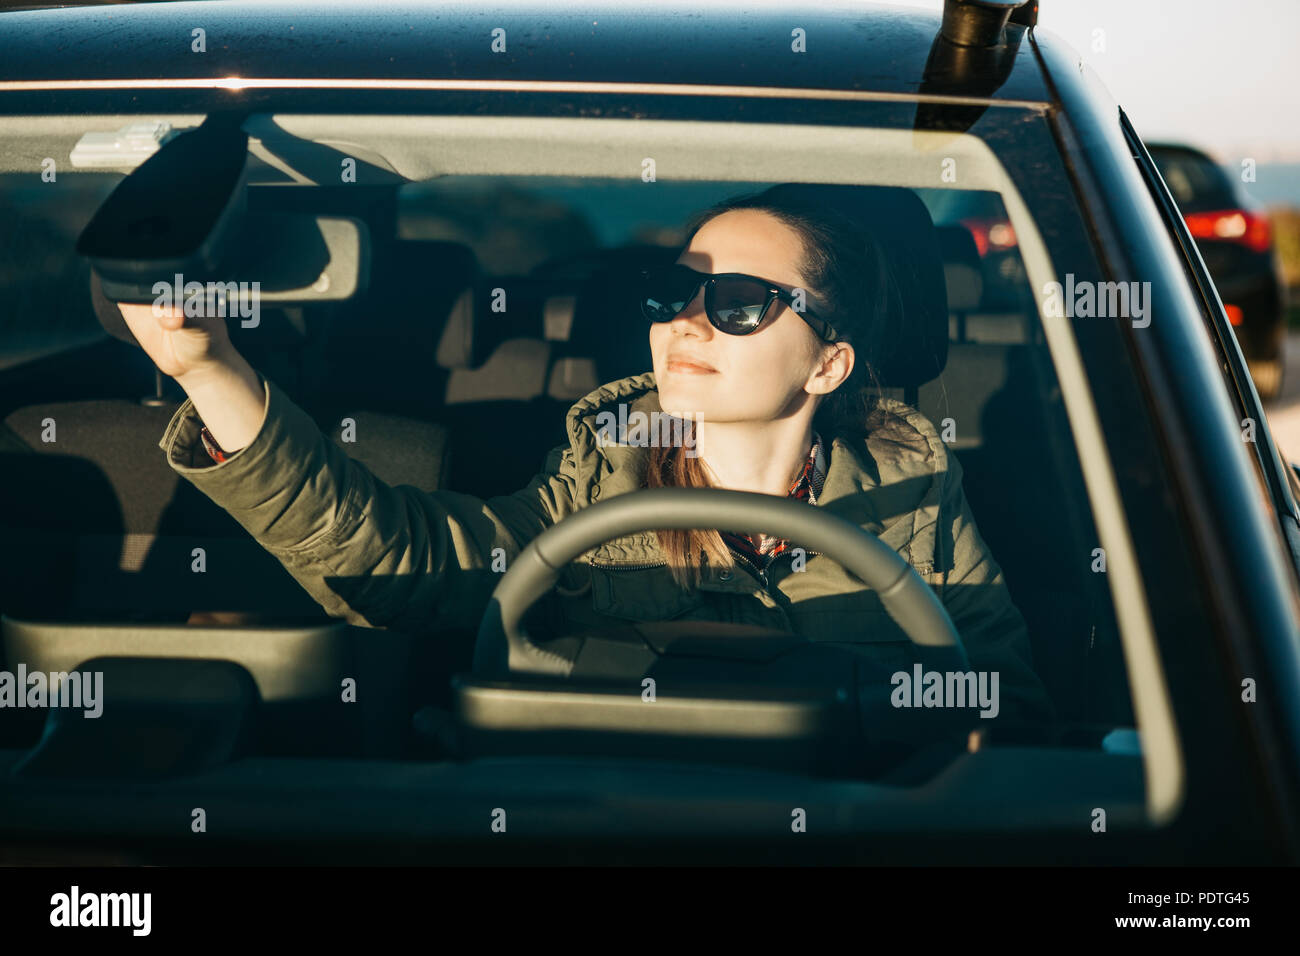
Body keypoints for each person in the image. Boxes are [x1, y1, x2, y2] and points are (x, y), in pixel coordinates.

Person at [117, 183, 1055, 726]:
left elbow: (1005, 709)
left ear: (828, 363)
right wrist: (211, 372)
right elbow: (394, 562)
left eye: (735, 303)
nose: (685, 322)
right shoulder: (604, 470)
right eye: (672, 292)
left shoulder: (917, 487)